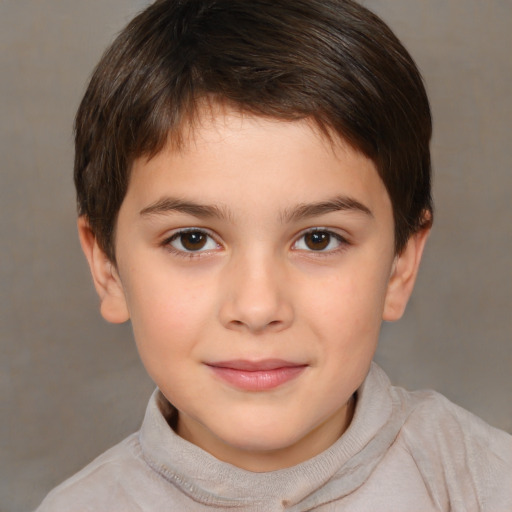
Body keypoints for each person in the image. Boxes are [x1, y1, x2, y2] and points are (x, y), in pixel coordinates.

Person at [36, 0, 512, 510]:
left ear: (401, 266)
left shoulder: (484, 484)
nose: (259, 308)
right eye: (192, 240)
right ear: (107, 268)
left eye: (318, 239)